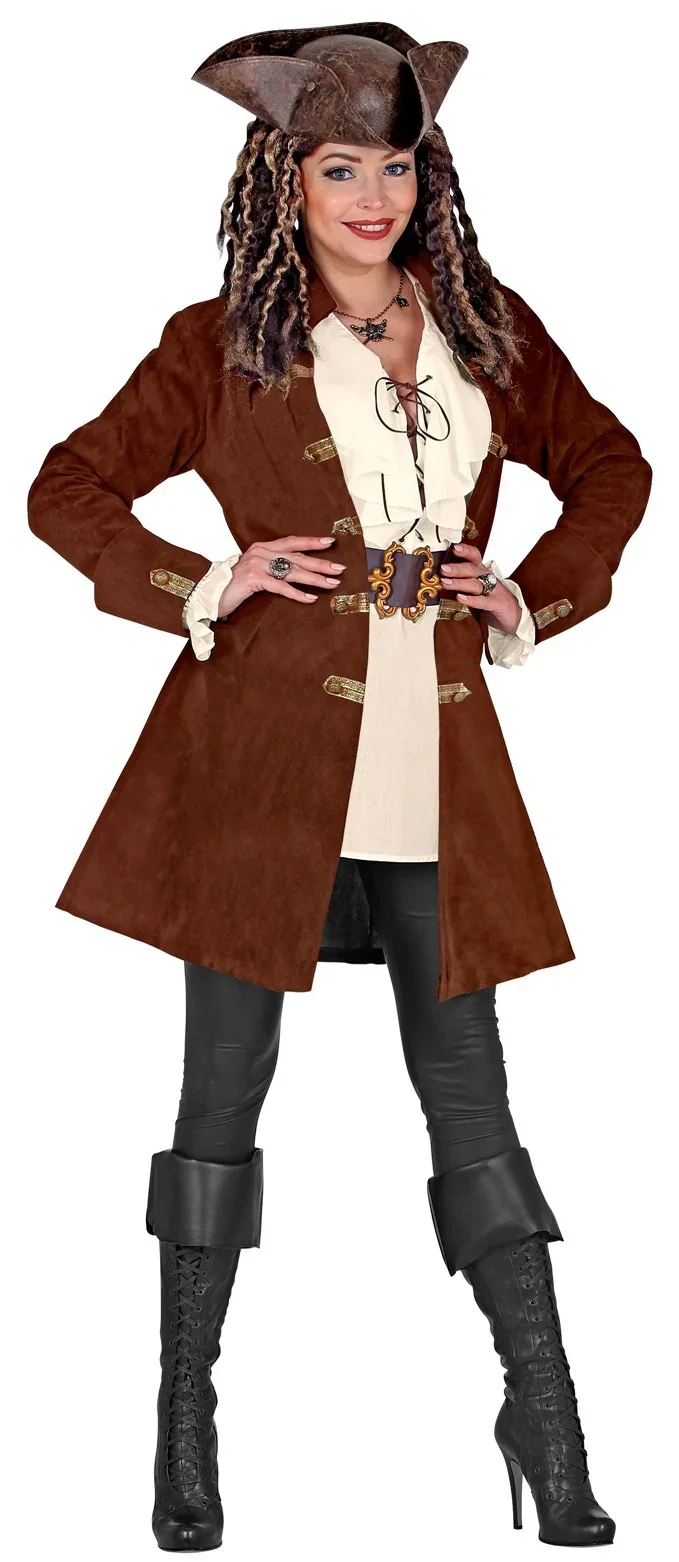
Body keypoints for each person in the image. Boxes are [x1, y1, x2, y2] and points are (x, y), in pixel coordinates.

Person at [27, 23, 652, 1553]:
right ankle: (184, 1431)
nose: (372, 199)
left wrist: (529, 592)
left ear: (427, 177)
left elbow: (614, 464)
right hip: (257, 766)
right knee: (220, 1100)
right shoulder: (222, 342)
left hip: (435, 764)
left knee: (472, 1102)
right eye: (337, 169)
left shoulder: (486, 329)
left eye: (394, 166)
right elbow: (66, 485)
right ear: (283, 181)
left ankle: (547, 1421)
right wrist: (204, 576)